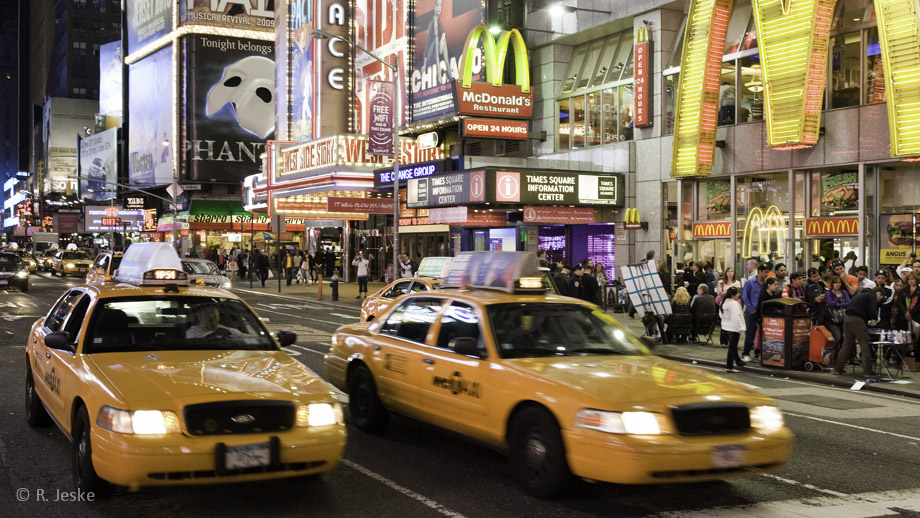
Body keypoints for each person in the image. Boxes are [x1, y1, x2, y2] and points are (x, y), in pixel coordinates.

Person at [833, 287, 884, 377]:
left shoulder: (859, 295)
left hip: (847, 318)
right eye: (880, 298)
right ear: (878, 293)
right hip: (857, 320)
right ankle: (868, 371)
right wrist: (876, 318)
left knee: (847, 344)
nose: (878, 300)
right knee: (864, 344)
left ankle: (838, 368)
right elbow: (872, 311)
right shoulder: (871, 296)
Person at [741, 263, 768, 361]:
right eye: (765, 272)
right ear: (760, 271)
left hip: (762, 311)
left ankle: (759, 352)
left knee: (762, 333)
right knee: (750, 332)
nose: (766, 274)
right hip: (752, 311)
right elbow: (745, 296)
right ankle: (745, 353)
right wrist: (751, 308)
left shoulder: (765, 283)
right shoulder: (750, 282)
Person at [720, 287, 746, 372]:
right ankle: (729, 366)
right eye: (737, 293)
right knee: (732, 347)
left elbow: (721, 315)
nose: (739, 295)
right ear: (733, 295)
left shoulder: (723, 302)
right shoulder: (734, 304)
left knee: (732, 346)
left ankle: (738, 361)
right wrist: (741, 328)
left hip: (725, 327)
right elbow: (737, 317)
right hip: (733, 328)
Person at [894, 272, 920, 347]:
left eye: (912, 279)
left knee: (916, 339)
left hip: (916, 316)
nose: (910, 281)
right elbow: (899, 302)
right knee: (904, 337)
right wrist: (906, 312)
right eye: (909, 279)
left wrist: (911, 313)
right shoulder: (904, 290)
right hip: (903, 316)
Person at [825, 276, 851, 348]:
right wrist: (837, 297)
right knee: (837, 337)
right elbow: (830, 304)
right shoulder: (828, 293)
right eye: (836, 283)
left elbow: (849, 303)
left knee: (845, 338)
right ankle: (836, 355)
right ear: (832, 284)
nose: (838, 284)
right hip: (833, 319)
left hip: (843, 318)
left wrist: (838, 304)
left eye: (839, 283)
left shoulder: (844, 292)